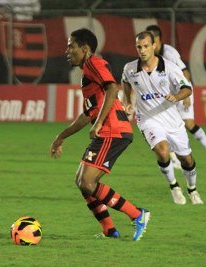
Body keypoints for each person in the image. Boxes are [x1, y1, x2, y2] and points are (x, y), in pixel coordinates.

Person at [50, 28, 150, 240]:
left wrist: (99, 124)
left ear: (85, 49)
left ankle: (137, 214)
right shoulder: (87, 72)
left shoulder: (95, 63)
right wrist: (61, 137)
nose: (67, 50)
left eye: (71, 46)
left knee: (87, 182)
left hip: (112, 130)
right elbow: (87, 115)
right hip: (107, 130)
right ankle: (109, 229)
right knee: (81, 181)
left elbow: (113, 88)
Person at [122, 31, 203, 205]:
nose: (142, 50)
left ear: (153, 46)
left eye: (145, 46)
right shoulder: (129, 68)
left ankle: (192, 189)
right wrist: (128, 101)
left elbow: (187, 88)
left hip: (172, 120)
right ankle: (174, 187)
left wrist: (177, 97)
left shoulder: (170, 68)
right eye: (139, 47)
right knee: (162, 150)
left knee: (186, 159)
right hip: (148, 119)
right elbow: (125, 81)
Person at [146, 25, 206, 170]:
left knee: (189, 124)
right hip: (168, 96)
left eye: (150, 39)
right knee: (163, 125)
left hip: (181, 92)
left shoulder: (169, 53)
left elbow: (185, 72)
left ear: (157, 39)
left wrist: (185, 93)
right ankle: (173, 159)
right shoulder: (151, 57)